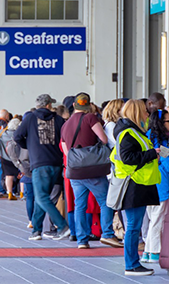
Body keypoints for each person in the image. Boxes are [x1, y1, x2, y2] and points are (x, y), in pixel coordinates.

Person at [61, 93, 121, 249]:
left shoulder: (65, 124)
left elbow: (66, 150)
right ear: (88, 105)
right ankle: (107, 234)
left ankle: (82, 240)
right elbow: (104, 139)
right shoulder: (90, 118)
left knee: (79, 205)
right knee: (105, 202)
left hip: (74, 171)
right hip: (91, 170)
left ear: (74, 105)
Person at [110, 99, 161, 277]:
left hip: (139, 184)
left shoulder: (131, 132)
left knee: (133, 226)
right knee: (133, 226)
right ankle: (131, 264)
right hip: (134, 185)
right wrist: (151, 153)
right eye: (145, 112)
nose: (147, 115)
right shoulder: (128, 133)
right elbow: (127, 157)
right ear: (137, 113)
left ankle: (132, 263)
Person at [13, 94, 70, 241]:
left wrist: (30, 147)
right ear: (48, 105)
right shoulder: (58, 120)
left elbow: (17, 136)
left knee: (41, 196)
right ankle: (36, 231)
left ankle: (62, 226)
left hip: (39, 164)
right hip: (56, 164)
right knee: (42, 196)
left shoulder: (30, 118)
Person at [142, 108, 169, 264]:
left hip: (148, 183)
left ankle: (147, 252)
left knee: (153, 218)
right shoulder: (161, 143)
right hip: (161, 185)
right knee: (158, 219)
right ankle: (154, 252)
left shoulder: (147, 137)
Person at [0, 117, 22, 200]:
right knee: (22, 174)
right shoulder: (18, 134)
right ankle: (22, 193)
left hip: (5, 156)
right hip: (17, 157)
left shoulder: (3, 133)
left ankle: (9, 193)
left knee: (8, 176)